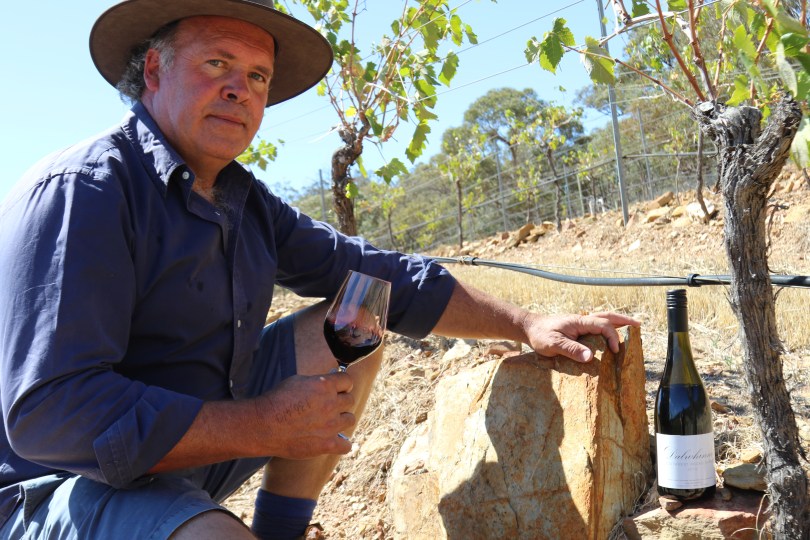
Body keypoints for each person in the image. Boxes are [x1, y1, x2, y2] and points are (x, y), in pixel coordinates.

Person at [0, 1, 639, 539]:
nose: (238, 89)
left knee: (361, 308)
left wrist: (525, 322)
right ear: (153, 71)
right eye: (217, 64)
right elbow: (51, 417)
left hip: (188, 458)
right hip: (57, 488)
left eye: (256, 76)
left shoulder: (242, 202)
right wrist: (263, 423)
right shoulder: (85, 191)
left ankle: (280, 529)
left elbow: (383, 278)